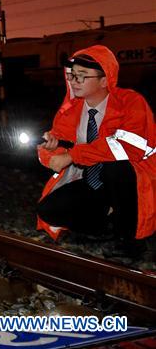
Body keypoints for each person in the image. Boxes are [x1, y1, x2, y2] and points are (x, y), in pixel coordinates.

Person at [36, 45, 156, 256]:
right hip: (93, 181)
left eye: (82, 76)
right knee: (48, 210)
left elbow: (130, 147)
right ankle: (103, 227)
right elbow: (56, 151)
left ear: (104, 80)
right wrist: (51, 150)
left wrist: (73, 155)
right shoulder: (70, 111)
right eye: (72, 75)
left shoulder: (131, 102)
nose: (74, 81)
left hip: (137, 182)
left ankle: (131, 241)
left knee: (115, 168)